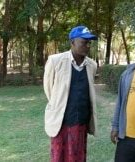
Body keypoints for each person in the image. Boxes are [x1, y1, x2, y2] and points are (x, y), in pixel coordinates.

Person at [43, 25, 98, 162]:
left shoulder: (92, 65)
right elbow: (49, 89)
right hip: (61, 122)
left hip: (81, 123)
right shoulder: (55, 61)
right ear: (72, 42)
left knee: (78, 157)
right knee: (59, 157)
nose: (87, 45)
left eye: (89, 42)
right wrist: (59, 104)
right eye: (84, 42)